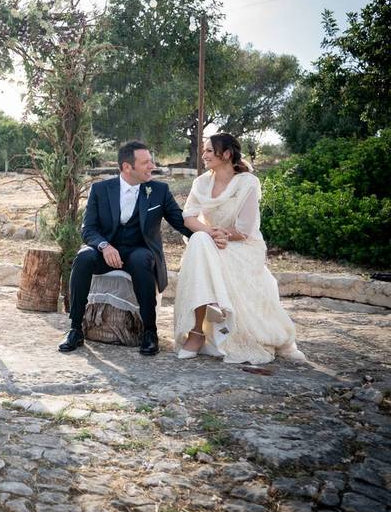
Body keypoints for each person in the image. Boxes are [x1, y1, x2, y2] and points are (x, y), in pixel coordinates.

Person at [59, 141, 206, 356]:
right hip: (106, 250)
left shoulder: (159, 190)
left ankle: (149, 332)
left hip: (140, 249)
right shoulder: (100, 189)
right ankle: (75, 329)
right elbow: (88, 228)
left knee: (141, 260)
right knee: (83, 258)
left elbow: (180, 222)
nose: (152, 166)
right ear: (127, 167)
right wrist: (104, 246)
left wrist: (207, 237)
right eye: (146, 162)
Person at [174, 133, 306, 364]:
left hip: (242, 246)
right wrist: (211, 233)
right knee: (198, 241)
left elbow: (244, 229)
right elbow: (188, 218)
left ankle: (198, 332)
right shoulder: (201, 182)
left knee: (200, 245)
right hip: (213, 242)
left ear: (226, 154)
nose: (203, 155)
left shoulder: (248, 183)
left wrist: (219, 235)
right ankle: (199, 327)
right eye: (203, 150)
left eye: (208, 150)